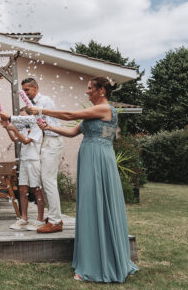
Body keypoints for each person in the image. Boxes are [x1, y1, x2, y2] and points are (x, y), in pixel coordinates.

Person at [28, 77, 138, 282]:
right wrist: (49, 128)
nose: (86, 92)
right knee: (89, 204)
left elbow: (70, 115)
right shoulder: (92, 113)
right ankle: (91, 258)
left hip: (100, 159)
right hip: (89, 158)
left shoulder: (104, 109)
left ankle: (102, 263)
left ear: (102, 91)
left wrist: (42, 111)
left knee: (99, 203)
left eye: (90, 89)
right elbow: (71, 132)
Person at [0, 78, 64, 233]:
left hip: (53, 140)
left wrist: (10, 118)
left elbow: (32, 120)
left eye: (26, 90)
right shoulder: (34, 105)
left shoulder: (44, 101)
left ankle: (55, 221)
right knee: (45, 180)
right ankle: (53, 216)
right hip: (48, 140)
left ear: (35, 88)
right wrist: (9, 125)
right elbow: (27, 123)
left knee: (47, 181)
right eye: (23, 91)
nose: (24, 94)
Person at [1, 109, 45, 231]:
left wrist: (14, 129)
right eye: (20, 117)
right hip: (24, 160)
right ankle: (24, 219)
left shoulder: (36, 127)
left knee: (36, 190)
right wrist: (6, 128)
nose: (20, 119)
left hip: (34, 160)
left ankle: (40, 220)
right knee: (22, 189)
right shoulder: (25, 127)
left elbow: (25, 141)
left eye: (23, 117)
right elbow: (15, 139)